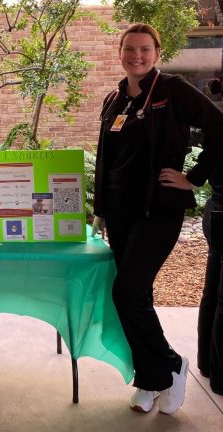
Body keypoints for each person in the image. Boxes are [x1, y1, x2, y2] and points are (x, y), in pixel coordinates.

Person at [92, 24, 223, 414]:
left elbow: (220, 128)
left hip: (157, 211)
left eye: (145, 49)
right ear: (120, 52)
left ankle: (169, 364)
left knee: (126, 292)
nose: (137, 56)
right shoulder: (114, 99)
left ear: (157, 52)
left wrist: (193, 177)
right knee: (138, 296)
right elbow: (106, 159)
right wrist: (100, 209)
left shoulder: (171, 90)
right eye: (130, 49)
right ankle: (151, 379)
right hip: (120, 213)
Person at [197, 75, 223, 395]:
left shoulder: (213, 117)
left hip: (214, 210)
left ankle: (207, 363)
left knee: (212, 291)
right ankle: (221, 378)